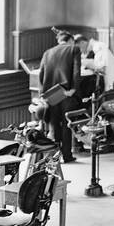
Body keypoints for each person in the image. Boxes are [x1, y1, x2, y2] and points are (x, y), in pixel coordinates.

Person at [39, 29, 81, 162]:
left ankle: (56, 156)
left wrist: (43, 94)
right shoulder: (74, 49)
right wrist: (73, 89)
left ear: (59, 41)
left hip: (52, 94)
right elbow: (76, 71)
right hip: (66, 92)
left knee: (54, 124)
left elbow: (41, 74)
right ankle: (67, 155)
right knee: (67, 124)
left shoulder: (47, 53)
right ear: (70, 40)